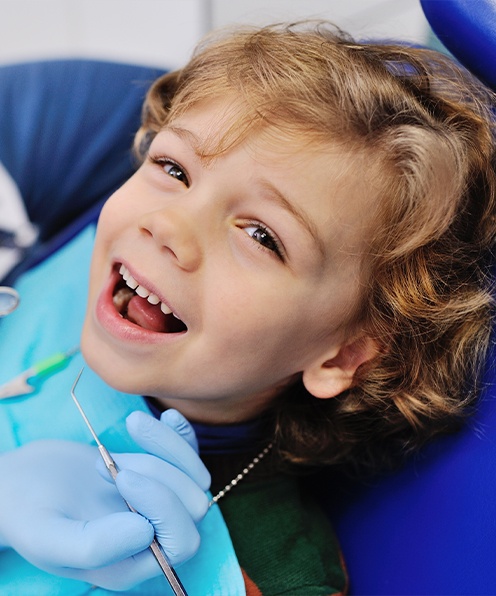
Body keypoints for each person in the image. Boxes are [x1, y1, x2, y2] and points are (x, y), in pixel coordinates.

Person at [0, 20, 495, 595]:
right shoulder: (72, 233)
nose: (167, 226)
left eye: (261, 236)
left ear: (341, 356)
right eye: (174, 169)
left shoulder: (278, 575)